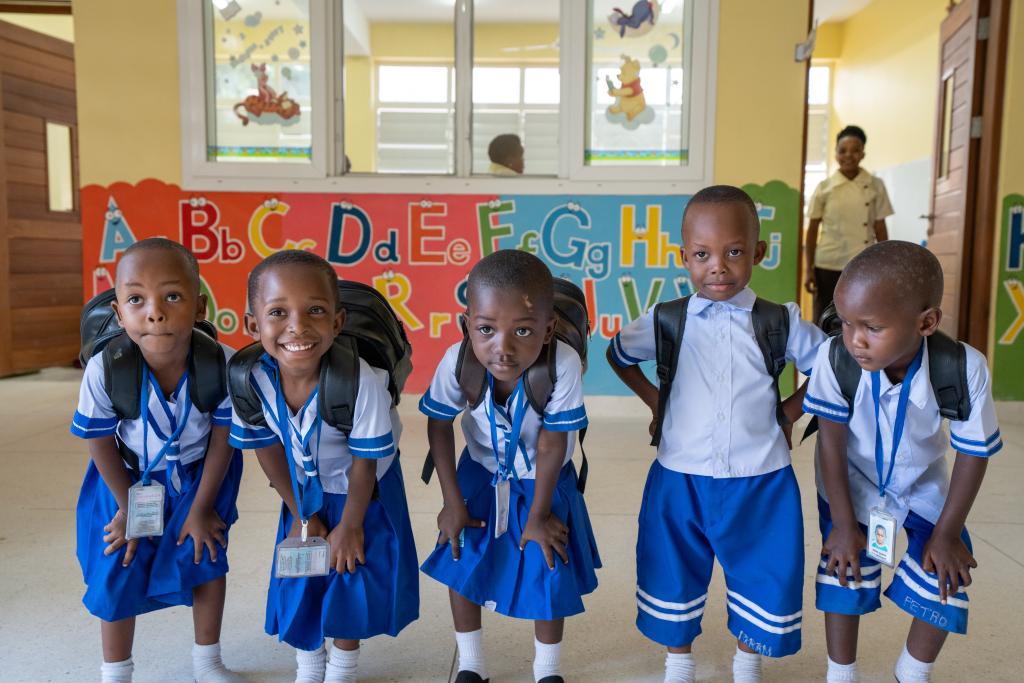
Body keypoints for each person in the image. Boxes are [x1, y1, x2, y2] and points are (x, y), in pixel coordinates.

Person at [607, 185, 825, 683]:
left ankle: (747, 664)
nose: (718, 267)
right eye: (702, 255)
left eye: (734, 252)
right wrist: (654, 399)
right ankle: (679, 664)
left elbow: (833, 368)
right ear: (684, 257)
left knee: (764, 572)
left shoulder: (779, 320)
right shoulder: (667, 319)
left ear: (759, 254)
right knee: (671, 569)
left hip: (761, 478)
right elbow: (618, 354)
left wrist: (789, 411)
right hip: (679, 477)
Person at [803, 241, 1002, 683]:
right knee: (844, 574)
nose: (855, 339)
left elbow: (973, 453)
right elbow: (830, 444)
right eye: (846, 323)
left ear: (926, 322)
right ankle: (841, 674)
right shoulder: (834, 358)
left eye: (872, 327)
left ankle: (912, 672)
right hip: (849, 487)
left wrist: (948, 534)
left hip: (921, 489)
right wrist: (840, 524)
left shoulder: (963, 367)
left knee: (946, 576)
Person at [229, 250, 419, 683]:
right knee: (301, 574)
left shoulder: (362, 380)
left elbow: (367, 462)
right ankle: (309, 667)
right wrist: (304, 514)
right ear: (253, 325)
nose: (297, 326)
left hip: (364, 488)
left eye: (315, 310)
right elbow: (267, 448)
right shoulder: (246, 379)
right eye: (278, 312)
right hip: (301, 489)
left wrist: (351, 525)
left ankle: (343, 668)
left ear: (337, 322)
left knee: (351, 571)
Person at [419, 249, 600, 683]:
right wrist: (451, 501)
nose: (502, 347)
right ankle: (471, 664)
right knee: (462, 560)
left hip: (545, 479)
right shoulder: (457, 360)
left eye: (523, 330)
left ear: (548, 328)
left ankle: (547, 670)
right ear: (468, 326)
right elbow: (438, 425)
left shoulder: (562, 363)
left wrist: (538, 515)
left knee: (548, 562)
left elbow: (555, 444)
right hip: (479, 473)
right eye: (485, 329)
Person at [71, 238, 244, 683]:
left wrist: (203, 508)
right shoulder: (104, 369)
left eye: (172, 296)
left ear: (199, 305)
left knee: (205, 554)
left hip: (200, 475)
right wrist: (128, 507)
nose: (155, 312)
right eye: (136, 299)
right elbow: (99, 441)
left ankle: (207, 662)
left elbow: (225, 438)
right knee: (116, 560)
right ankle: (116, 672)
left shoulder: (220, 363)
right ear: (118, 310)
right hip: (124, 476)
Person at [805, 125, 893, 323]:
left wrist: (885, 265)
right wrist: (808, 269)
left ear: (863, 154)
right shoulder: (824, 188)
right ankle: (821, 352)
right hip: (828, 263)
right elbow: (812, 231)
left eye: (855, 150)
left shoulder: (875, 185)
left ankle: (856, 353)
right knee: (824, 317)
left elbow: (880, 228)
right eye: (842, 151)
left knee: (862, 315)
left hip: (863, 262)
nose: (848, 155)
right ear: (835, 154)